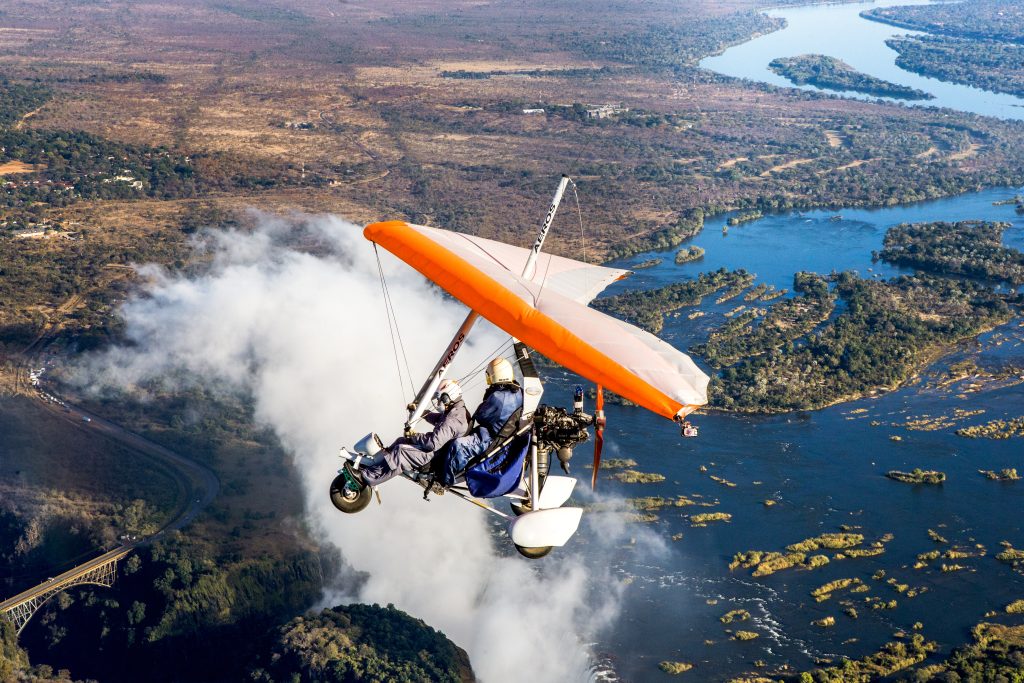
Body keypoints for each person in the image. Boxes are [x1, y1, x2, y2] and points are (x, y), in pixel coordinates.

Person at [348, 379, 470, 486]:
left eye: (441, 399)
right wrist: (421, 412)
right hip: (438, 451)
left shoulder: (454, 419)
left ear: (449, 396)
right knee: (401, 441)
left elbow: (433, 443)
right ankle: (377, 464)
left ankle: (366, 478)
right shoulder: (456, 410)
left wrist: (414, 435)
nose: (439, 403)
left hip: (434, 457)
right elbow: (440, 420)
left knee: (401, 452)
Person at [444, 357, 523, 485]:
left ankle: (445, 480)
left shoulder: (498, 397)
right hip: (503, 434)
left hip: (490, 437)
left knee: (458, 446)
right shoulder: (518, 391)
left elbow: (480, 416)